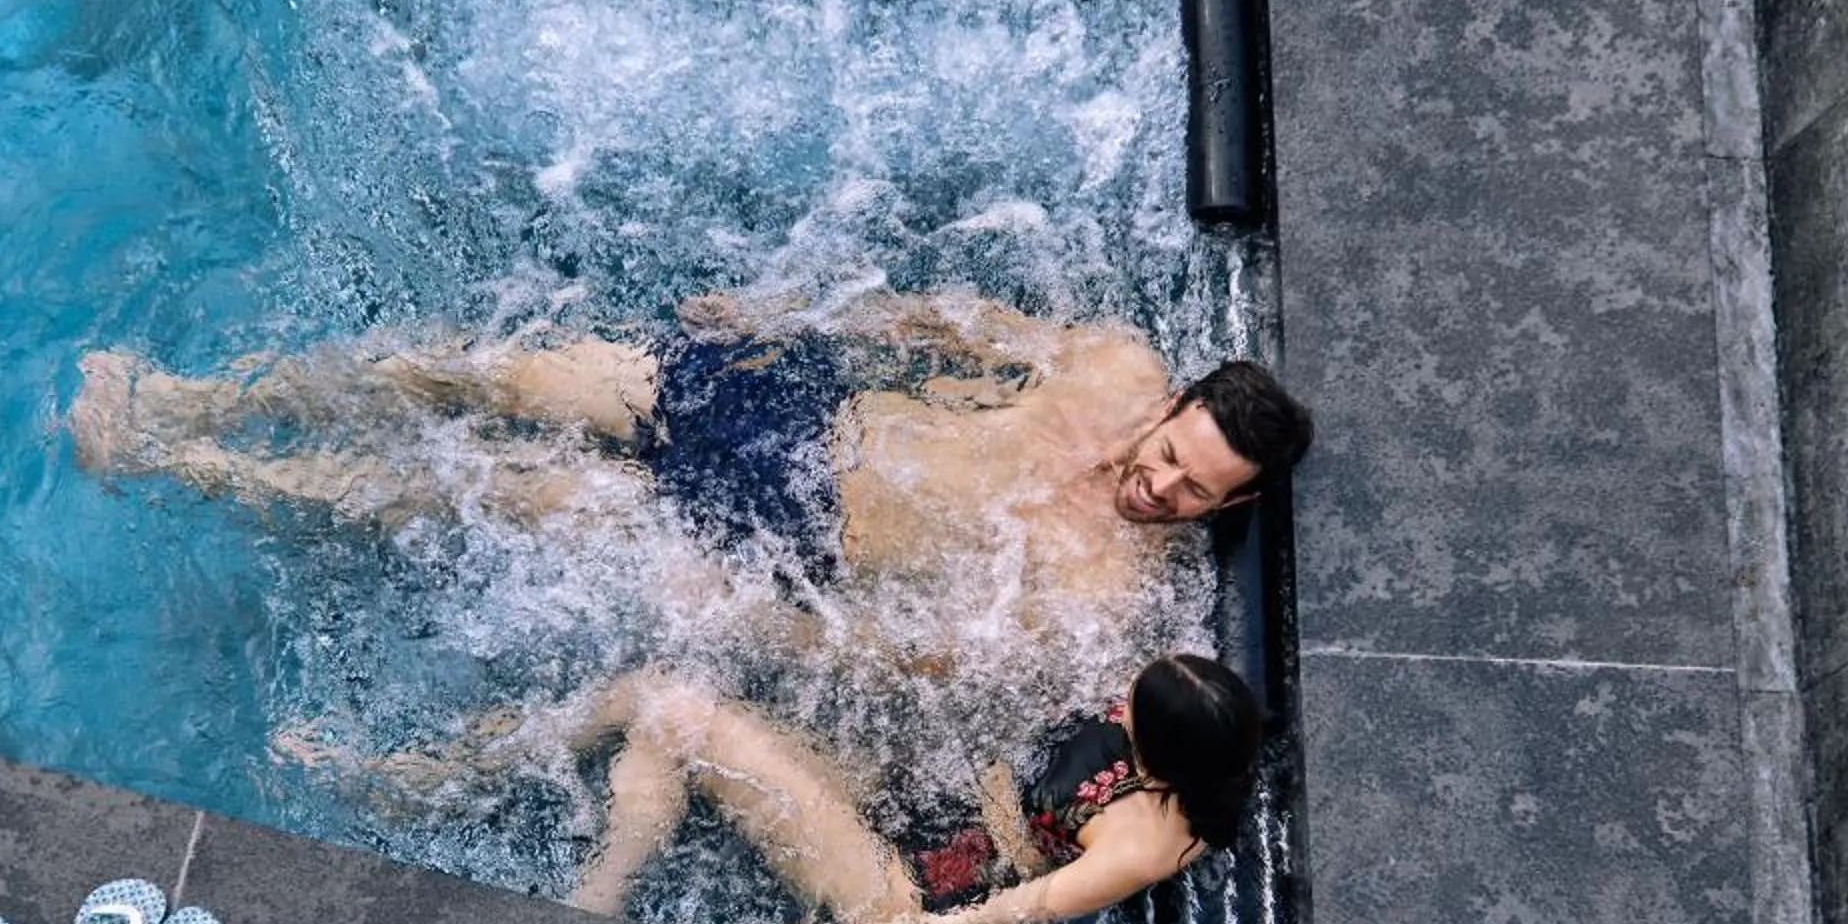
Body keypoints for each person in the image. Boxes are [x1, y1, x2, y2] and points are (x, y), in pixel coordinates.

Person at [68, 287, 1312, 665]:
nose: (1159, 487)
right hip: (785, 405)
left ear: (1235, 505)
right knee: (489, 377)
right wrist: (795, 310)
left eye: (1193, 494)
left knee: (462, 489)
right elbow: (952, 325)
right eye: (1170, 454)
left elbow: (922, 653)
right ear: (1173, 404)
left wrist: (761, 626)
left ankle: (177, 459)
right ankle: (194, 399)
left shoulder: (1102, 590)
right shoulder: (1112, 364)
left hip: (779, 533)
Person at [552, 652, 1264, 924]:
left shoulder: (1139, 846)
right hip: (913, 796)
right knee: (657, 703)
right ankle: (589, 887)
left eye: (1129, 713)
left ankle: (588, 896)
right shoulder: (1201, 733)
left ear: (1162, 751)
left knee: (673, 710)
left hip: (908, 883)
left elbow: (1005, 913)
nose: (1119, 707)